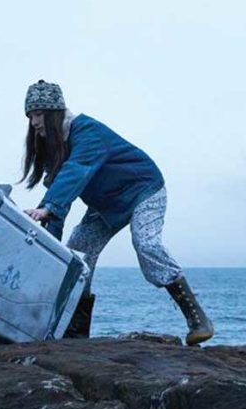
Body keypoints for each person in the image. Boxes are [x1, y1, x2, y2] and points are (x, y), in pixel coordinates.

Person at [20, 80, 214, 346]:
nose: (34, 123)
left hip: (143, 189)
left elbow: (77, 170)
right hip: (106, 205)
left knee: (147, 244)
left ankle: (197, 318)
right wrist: (49, 237)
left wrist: (49, 207)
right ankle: (76, 335)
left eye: (39, 114)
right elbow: (59, 194)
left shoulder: (87, 132)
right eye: (30, 116)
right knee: (77, 256)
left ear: (54, 113)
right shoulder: (56, 148)